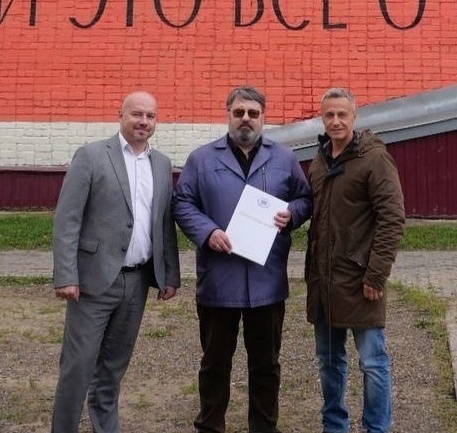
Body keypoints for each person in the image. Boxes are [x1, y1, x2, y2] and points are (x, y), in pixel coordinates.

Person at [173, 85, 312, 433]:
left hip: (267, 282)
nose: (245, 119)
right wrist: (207, 232)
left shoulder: (284, 158)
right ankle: (210, 425)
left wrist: (292, 214)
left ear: (264, 117)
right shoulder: (201, 159)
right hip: (219, 282)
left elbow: (305, 198)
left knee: (266, 365)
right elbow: (182, 203)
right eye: (239, 112)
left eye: (253, 113)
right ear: (228, 115)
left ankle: (264, 427)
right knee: (215, 362)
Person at [51, 90, 180, 433]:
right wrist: (66, 275)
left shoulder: (162, 163)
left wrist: (170, 274)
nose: (143, 121)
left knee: (112, 369)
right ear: (120, 115)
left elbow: (163, 223)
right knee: (78, 368)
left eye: (150, 116)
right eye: (136, 114)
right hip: (93, 281)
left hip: (137, 282)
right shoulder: (92, 156)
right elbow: (67, 219)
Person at [305, 87, 405, 433]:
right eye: (329, 115)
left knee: (373, 362)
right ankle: (334, 425)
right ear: (322, 118)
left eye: (342, 114)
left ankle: (376, 427)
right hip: (324, 281)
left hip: (361, 280)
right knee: (329, 361)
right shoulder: (319, 161)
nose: (335, 121)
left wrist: (376, 275)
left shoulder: (374, 158)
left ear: (354, 117)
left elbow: (392, 218)